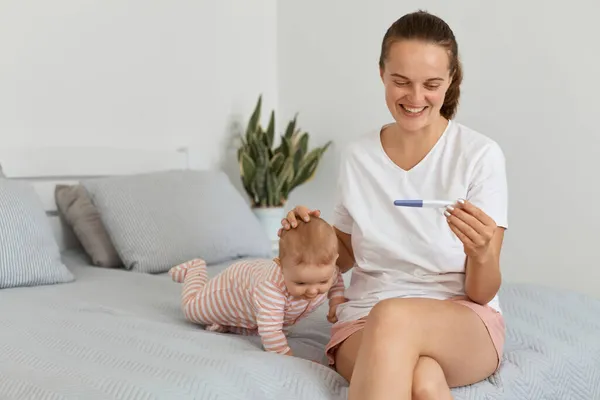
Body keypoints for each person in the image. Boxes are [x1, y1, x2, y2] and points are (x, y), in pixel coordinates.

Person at [279, 10, 508, 400]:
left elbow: (482, 292)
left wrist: (483, 254)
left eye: (431, 84)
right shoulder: (358, 156)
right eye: (401, 82)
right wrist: (305, 237)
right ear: (381, 73)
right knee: (423, 379)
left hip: (462, 321)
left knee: (394, 313)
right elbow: (345, 253)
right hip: (363, 323)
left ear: (451, 80)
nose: (415, 98)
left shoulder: (479, 155)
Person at [168, 216, 347, 356]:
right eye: (300, 283)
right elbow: (270, 332)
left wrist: (336, 300)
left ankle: (228, 324)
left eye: (322, 282)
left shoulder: (330, 270)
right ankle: (195, 269)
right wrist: (285, 355)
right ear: (280, 266)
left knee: (258, 323)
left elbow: (336, 279)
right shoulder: (271, 289)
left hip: (252, 304)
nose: (313, 291)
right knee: (191, 310)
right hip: (231, 290)